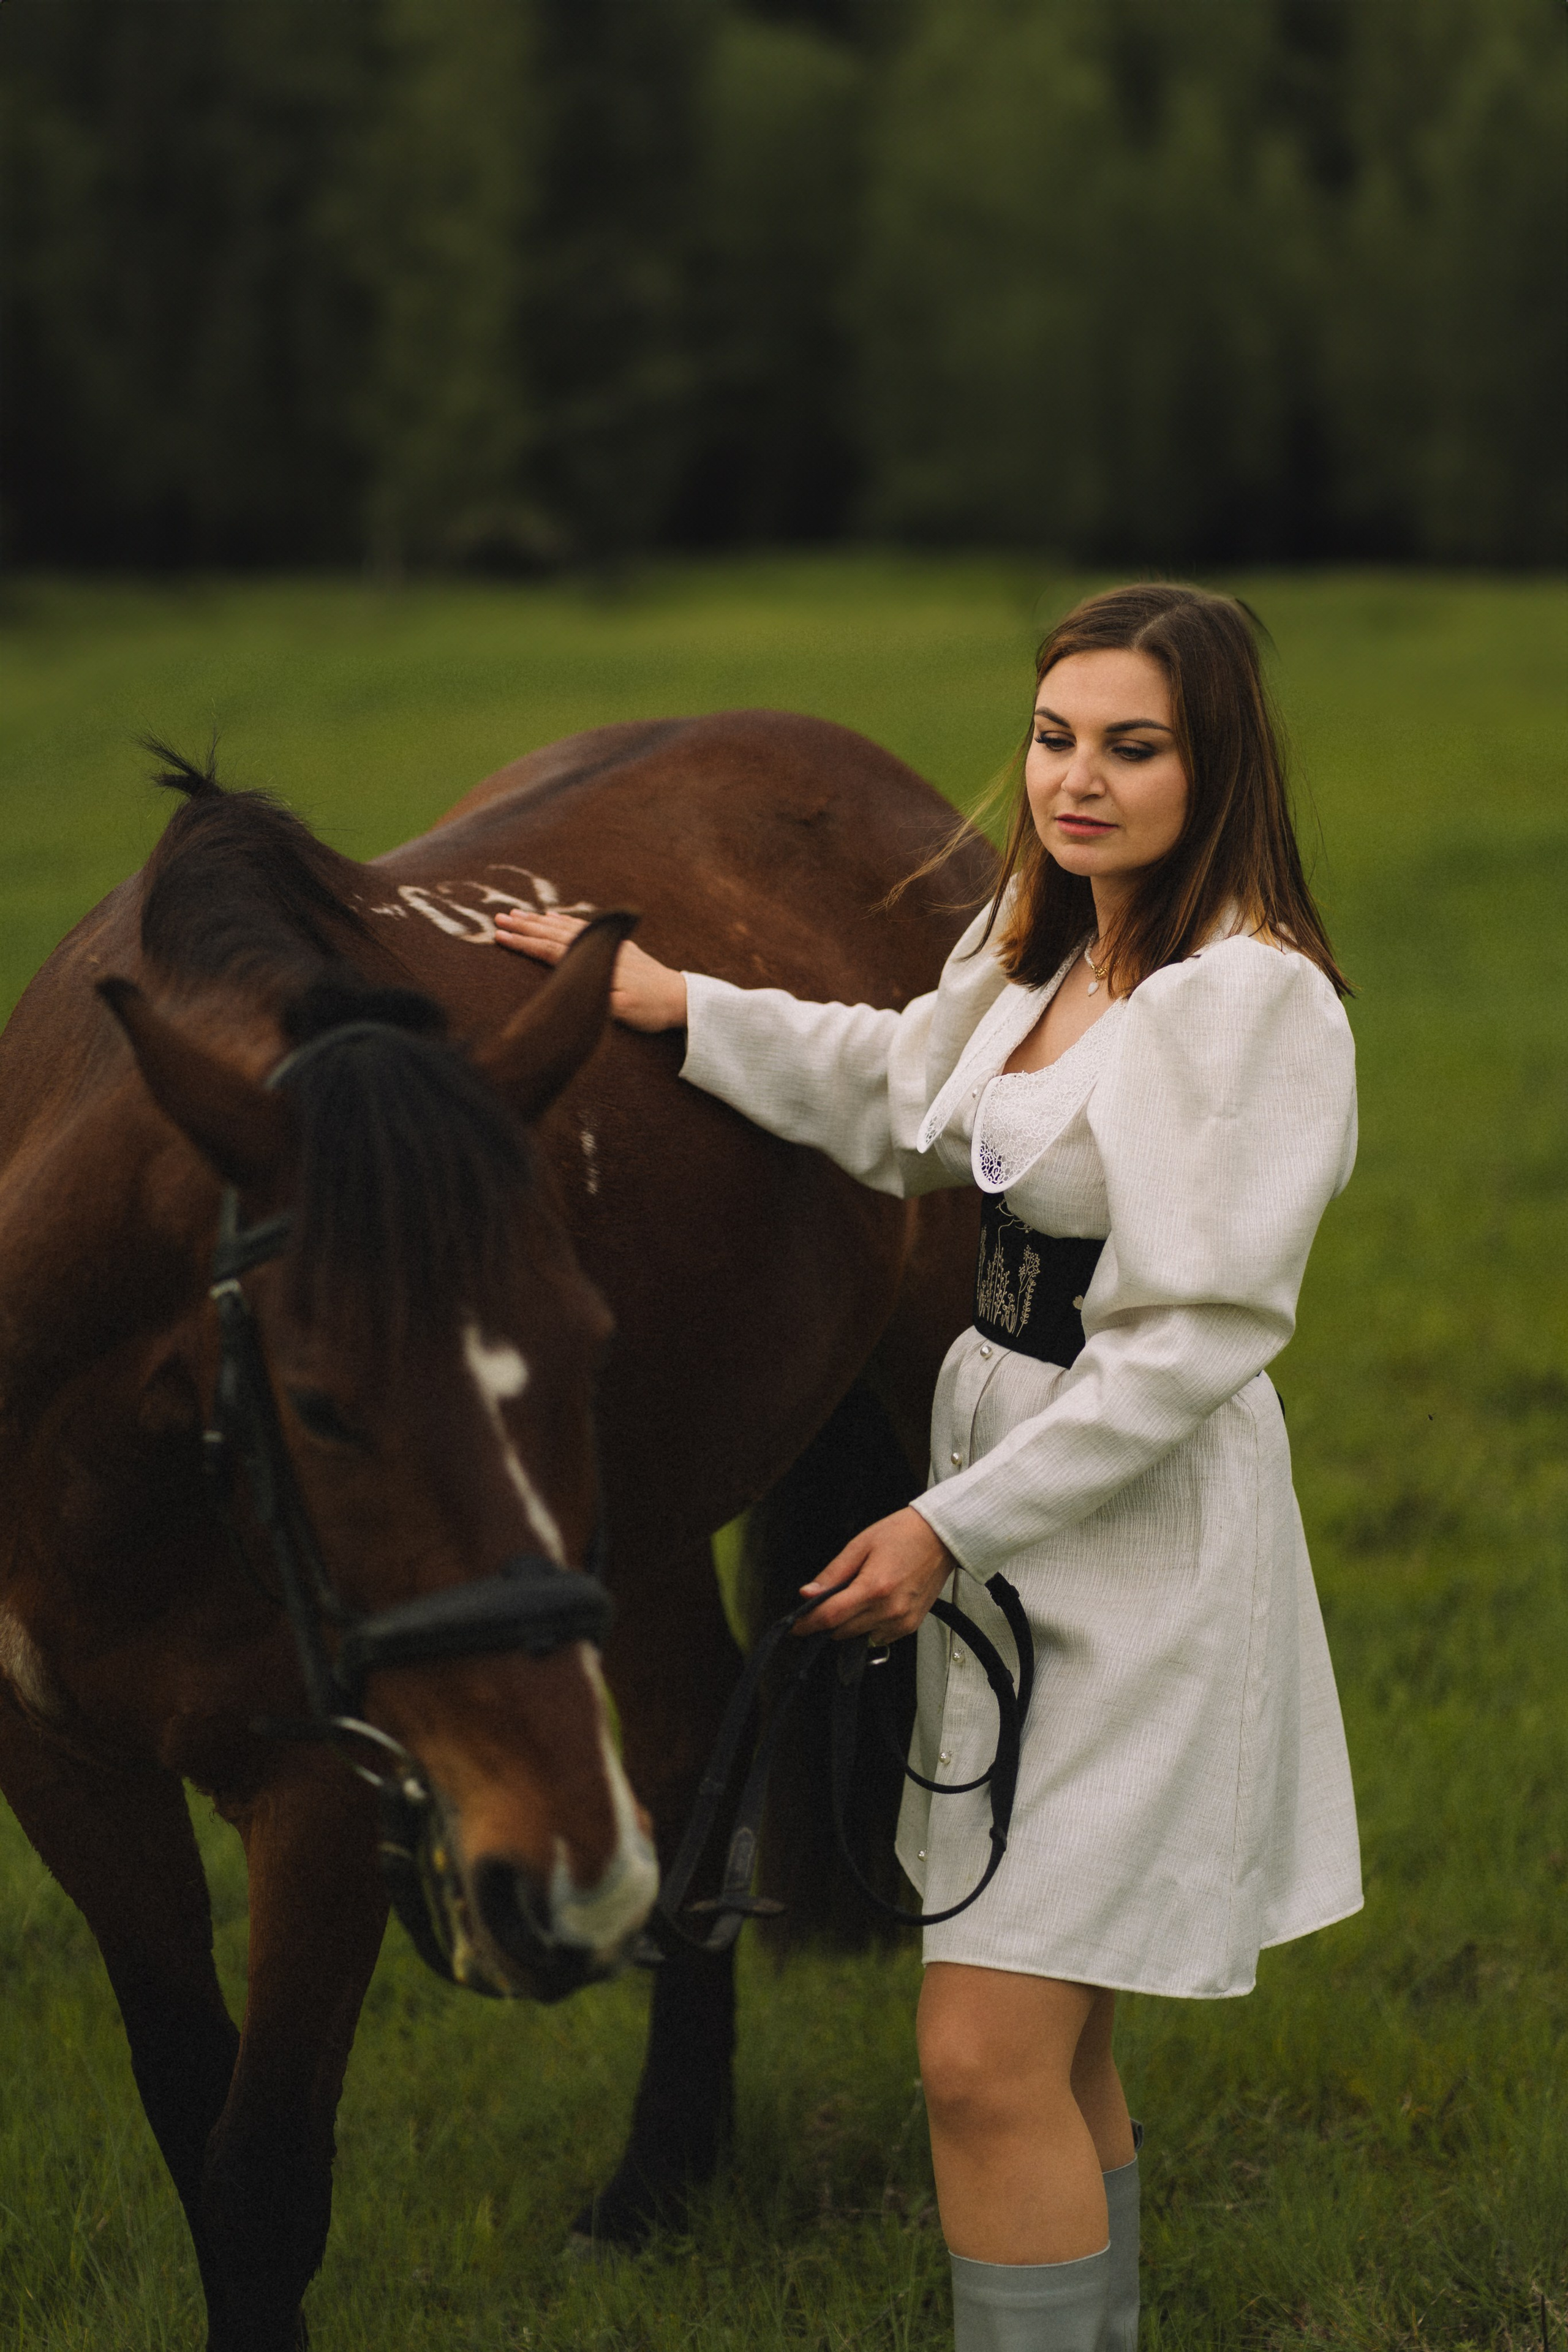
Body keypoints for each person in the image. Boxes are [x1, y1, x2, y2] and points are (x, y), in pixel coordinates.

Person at [496, 582, 1362, 2352]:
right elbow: (897, 1090)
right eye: (1054, 738)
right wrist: (671, 999)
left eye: (1133, 748)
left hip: (1137, 1543)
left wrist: (942, 1528)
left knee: (978, 2058)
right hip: (1004, 1502)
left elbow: (1189, 1344)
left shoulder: (1248, 1003)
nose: (1077, 781)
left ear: (1217, 767)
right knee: (1058, 2039)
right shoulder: (1041, 949)